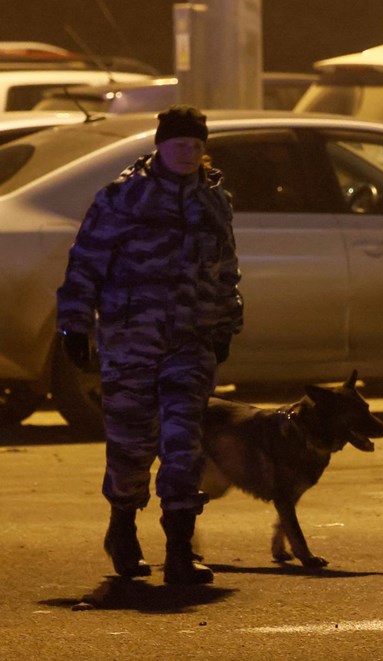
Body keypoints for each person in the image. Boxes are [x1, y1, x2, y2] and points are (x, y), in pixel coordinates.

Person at [57, 105, 243, 584]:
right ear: (161, 146)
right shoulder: (123, 197)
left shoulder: (213, 200)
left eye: (196, 145)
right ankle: (122, 527)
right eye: (180, 144)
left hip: (191, 341)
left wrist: (226, 321)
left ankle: (180, 549)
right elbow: (86, 261)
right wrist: (75, 324)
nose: (188, 153)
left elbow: (226, 268)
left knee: (184, 442)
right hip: (131, 340)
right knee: (132, 444)